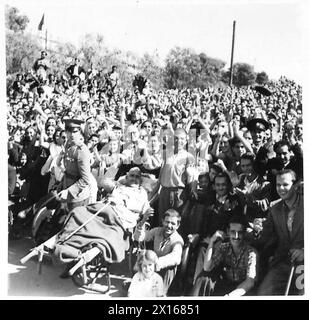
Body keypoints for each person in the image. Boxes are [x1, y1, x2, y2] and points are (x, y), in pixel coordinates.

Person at [257, 169, 304, 295]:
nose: (281, 188)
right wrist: (253, 231)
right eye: (278, 185)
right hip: (283, 262)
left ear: (295, 185)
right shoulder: (274, 208)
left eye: (285, 185)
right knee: (263, 292)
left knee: (303, 293)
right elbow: (266, 236)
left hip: (304, 264)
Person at [191, 214, 258, 296]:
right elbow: (207, 267)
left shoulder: (251, 252)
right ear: (228, 232)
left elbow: (250, 282)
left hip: (242, 290)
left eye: (240, 233)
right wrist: (211, 242)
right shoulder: (224, 248)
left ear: (244, 234)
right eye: (233, 232)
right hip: (227, 285)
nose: (236, 237)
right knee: (203, 278)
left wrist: (229, 296)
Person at [133, 209, 184, 295]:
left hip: (165, 271)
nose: (169, 225)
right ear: (162, 221)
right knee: (143, 254)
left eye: (173, 223)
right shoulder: (157, 231)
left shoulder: (177, 240)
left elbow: (176, 258)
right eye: (167, 222)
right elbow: (139, 238)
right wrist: (143, 221)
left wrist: (157, 262)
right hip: (153, 268)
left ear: (178, 225)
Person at [54, 119, 92, 212]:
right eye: (68, 131)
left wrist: (70, 191)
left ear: (80, 132)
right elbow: (68, 171)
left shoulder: (82, 151)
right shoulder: (68, 145)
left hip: (78, 196)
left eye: (75, 132)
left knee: (74, 223)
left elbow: (85, 179)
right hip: (66, 188)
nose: (71, 135)